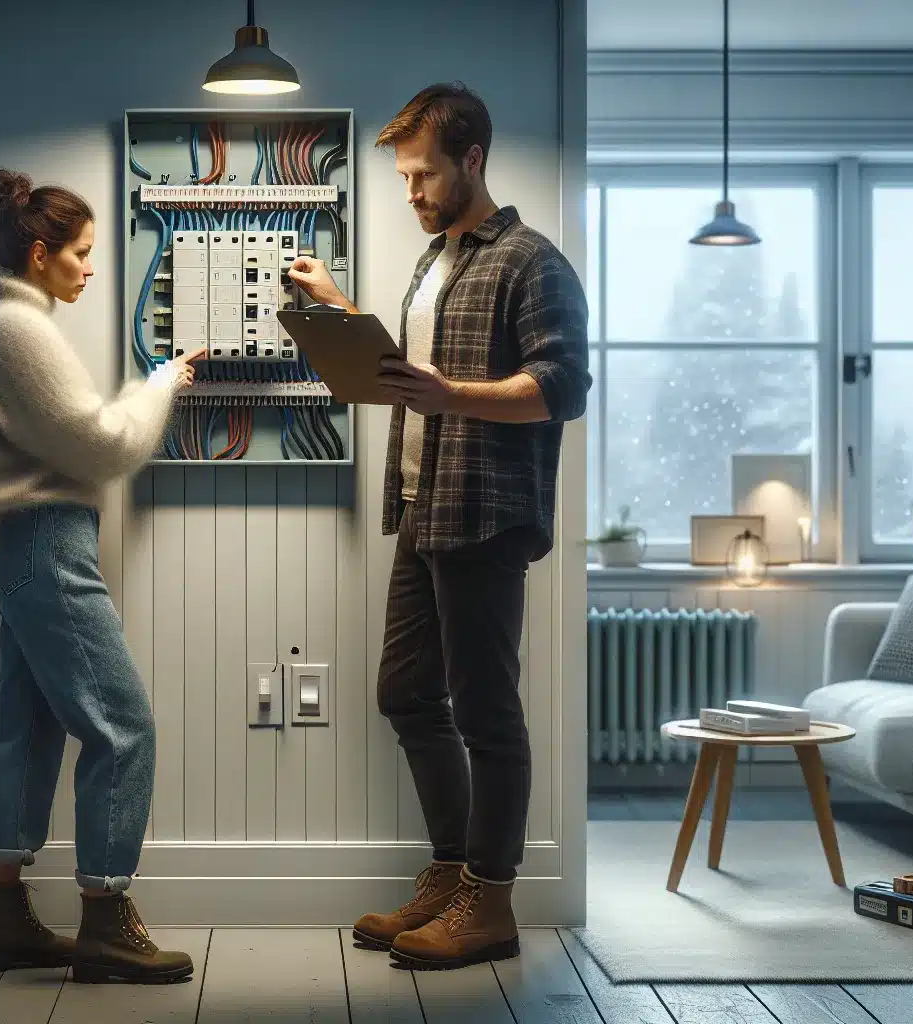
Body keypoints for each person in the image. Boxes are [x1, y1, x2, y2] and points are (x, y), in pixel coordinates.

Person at [288, 83, 591, 970]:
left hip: (487, 516)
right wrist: (339, 310)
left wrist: (455, 395)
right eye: (403, 178)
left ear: (472, 160)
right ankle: (453, 871)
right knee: (406, 693)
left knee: (488, 712)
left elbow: (564, 387)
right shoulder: (435, 263)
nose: (411, 193)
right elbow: (407, 373)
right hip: (425, 505)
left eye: (423, 176)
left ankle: (489, 904)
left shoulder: (533, 262)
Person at [0, 168, 203, 985]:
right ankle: (104, 919)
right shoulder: (18, 334)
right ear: (40, 252)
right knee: (123, 726)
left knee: (26, 730)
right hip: (49, 546)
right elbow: (102, 444)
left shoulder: (8, 328)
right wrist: (160, 383)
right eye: (83, 253)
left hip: (29, 549)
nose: (93, 269)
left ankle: (1, 921)